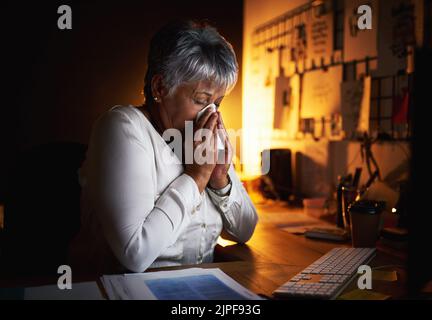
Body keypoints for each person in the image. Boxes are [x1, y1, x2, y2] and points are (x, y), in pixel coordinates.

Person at [70, 20, 258, 274]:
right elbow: (135, 255)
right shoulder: (122, 127)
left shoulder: (198, 137)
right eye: (201, 100)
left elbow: (245, 230)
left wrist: (220, 180)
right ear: (160, 87)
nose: (211, 113)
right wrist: (196, 177)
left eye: (218, 102)